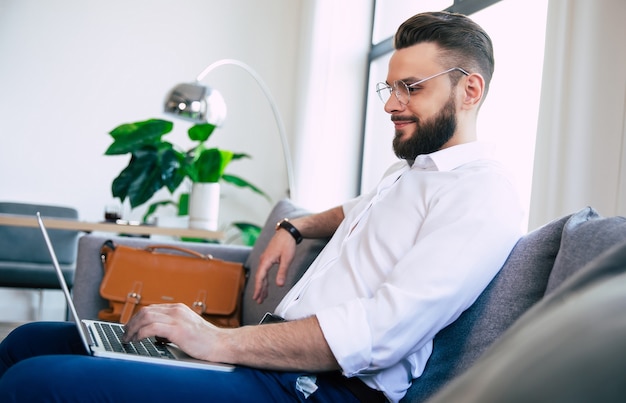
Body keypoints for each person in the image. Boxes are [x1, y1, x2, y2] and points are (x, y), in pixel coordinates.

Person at [0, 11, 523, 403]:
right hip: (273, 363)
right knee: (28, 340)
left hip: (319, 389)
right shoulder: (409, 173)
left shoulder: (481, 195)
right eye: (390, 87)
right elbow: (353, 211)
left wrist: (218, 341)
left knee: (36, 382)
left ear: (469, 89)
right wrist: (296, 226)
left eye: (410, 88)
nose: (390, 103)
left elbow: (379, 334)